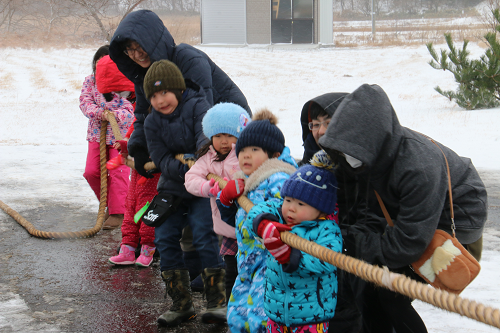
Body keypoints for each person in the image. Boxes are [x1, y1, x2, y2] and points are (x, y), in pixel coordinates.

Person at [318, 83, 488, 333]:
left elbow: (407, 244)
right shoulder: (369, 155)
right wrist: (344, 234)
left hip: (457, 219)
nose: (347, 156)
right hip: (412, 218)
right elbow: (367, 213)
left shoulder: (418, 166)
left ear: (370, 136)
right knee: (370, 290)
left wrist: (352, 243)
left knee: (390, 295)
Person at [108, 9, 251, 182]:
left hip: (229, 132)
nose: (136, 55)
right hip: (194, 142)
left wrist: (198, 156)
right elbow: (143, 115)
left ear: (153, 41)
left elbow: (202, 114)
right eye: (129, 50)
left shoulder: (188, 59)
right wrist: (139, 148)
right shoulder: (145, 75)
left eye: (139, 46)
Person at [142, 60, 224, 326]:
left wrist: (198, 164)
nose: (159, 100)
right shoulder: (152, 122)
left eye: (164, 92)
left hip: (202, 186)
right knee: (164, 238)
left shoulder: (198, 105)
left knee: (204, 234)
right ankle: (181, 305)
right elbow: (160, 157)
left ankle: (217, 302)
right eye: (153, 96)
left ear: (177, 89)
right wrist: (182, 170)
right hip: (173, 186)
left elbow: (206, 139)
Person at [215, 109, 297, 333]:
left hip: (269, 265)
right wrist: (225, 200)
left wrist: (268, 219)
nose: (246, 156)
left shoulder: (279, 178)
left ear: (273, 154)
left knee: (261, 319)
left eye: (254, 150)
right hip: (247, 263)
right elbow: (234, 220)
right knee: (237, 314)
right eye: (242, 151)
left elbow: (287, 214)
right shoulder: (246, 181)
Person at [245, 151, 342, 333]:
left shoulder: (327, 229)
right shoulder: (281, 215)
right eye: (288, 200)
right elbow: (256, 211)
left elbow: (327, 260)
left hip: (311, 317)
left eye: (301, 204)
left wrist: (290, 256)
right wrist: (263, 222)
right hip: (276, 313)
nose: (291, 208)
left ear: (320, 209)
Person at [184, 102, 251, 304]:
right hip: (228, 228)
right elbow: (191, 179)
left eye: (230, 135)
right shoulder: (208, 158)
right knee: (231, 268)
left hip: (250, 225)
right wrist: (208, 188)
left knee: (250, 268)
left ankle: (251, 305)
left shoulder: (246, 155)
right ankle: (230, 306)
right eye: (219, 135)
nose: (224, 141)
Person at [79, 45, 134, 230]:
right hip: (97, 135)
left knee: (118, 173)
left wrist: (113, 114)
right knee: (91, 171)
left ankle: (119, 213)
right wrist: (99, 113)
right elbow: (85, 103)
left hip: (119, 137)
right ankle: (109, 205)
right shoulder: (90, 82)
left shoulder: (124, 83)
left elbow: (130, 110)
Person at [299, 93, 348, 165]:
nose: (321, 131)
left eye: (329, 123)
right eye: (316, 125)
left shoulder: (364, 170)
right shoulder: (301, 173)